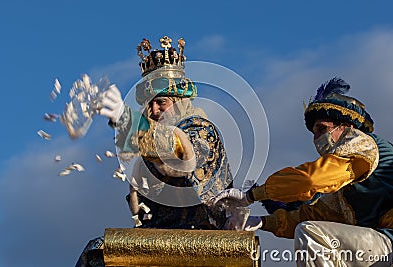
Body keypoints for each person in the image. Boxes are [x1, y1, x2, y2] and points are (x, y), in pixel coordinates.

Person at [75, 36, 233, 267]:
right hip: (161, 234)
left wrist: (128, 120)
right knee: (97, 251)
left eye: (162, 102)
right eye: (150, 104)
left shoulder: (200, 130)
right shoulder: (147, 147)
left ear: (179, 101)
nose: (154, 109)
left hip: (203, 233)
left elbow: (180, 153)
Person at [211, 77, 393, 266]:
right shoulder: (345, 188)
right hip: (379, 247)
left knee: (311, 234)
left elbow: (311, 180)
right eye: (314, 133)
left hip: (389, 245)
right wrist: (262, 222)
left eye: (322, 129)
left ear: (347, 127)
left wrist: (251, 195)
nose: (316, 138)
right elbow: (313, 215)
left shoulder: (364, 145)